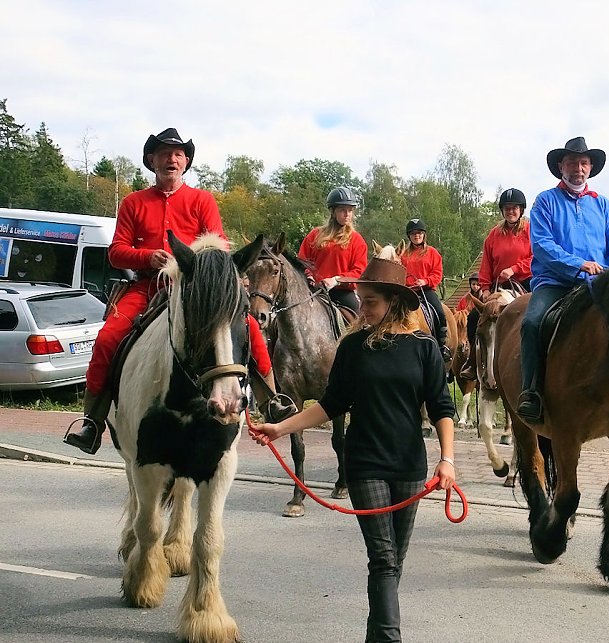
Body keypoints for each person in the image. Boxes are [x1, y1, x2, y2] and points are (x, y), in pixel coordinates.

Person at [250, 256, 455, 643]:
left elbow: (443, 408)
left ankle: (375, 636)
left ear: (393, 302)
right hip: (365, 464)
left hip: (410, 466)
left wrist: (447, 460)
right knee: (383, 559)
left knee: (395, 561)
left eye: (371, 301)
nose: (362, 308)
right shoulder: (353, 348)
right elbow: (329, 405)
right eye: (362, 299)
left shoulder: (425, 349)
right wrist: (280, 427)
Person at [64, 128, 288, 455]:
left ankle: (271, 400)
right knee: (108, 338)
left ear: (186, 162)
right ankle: (92, 421)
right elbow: (115, 252)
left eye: (178, 153)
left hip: (195, 289)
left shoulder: (203, 200)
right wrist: (146, 256)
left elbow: (219, 248)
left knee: (250, 327)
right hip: (146, 286)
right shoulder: (132, 202)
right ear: (151, 160)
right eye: (165, 152)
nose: (172, 158)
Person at [516, 137, 609, 422]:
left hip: (600, 283)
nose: (578, 168)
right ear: (560, 166)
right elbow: (542, 244)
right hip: (555, 282)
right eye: (571, 162)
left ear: (590, 167)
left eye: (583, 162)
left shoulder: (603, 205)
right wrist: (579, 264)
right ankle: (531, 391)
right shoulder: (545, 201)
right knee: (531, 323)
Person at [460, 188, 533, 381]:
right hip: (497, 285)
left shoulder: (530, 230)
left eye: (514, 208)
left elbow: (537, 257)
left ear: (521, 210)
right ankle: (473, 363)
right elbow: (486, 265)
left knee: (536, 316)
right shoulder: (493, 235)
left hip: (525, 281)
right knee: (475, 316)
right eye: (507, 208)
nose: (511, 211)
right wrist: (484, 288)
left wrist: (514, 269)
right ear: (502, 211)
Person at [298, 187, 368, 314]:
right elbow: (302, 261)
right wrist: (308, 276)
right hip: (313, 291)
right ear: (333, 211)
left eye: (350, 210)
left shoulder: (357, 240)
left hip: (342, 293)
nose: (347, 214)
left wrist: (336, 280)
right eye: (342, 210)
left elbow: (359, 273)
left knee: (359, 323)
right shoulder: (315, 235)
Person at [399, 218, 452, 361]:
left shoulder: (433, 253)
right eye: (414, 233)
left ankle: (441, 347)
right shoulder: (402, 255)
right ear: (409, 236)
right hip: (407, 291)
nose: (417, 236)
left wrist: (425, 281)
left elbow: (437, 273)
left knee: (440, 312)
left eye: (420, 233)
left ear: (424, 235)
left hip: (426, 290)